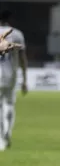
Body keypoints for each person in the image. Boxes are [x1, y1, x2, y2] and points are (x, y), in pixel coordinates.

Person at [0, 11, 27, 150]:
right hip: (11, 75)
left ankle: (1, 138)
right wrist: (25, 79)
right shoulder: (17, 34)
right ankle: (7, 132)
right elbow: (23, 58)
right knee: (9, 104)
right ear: (10, 19)